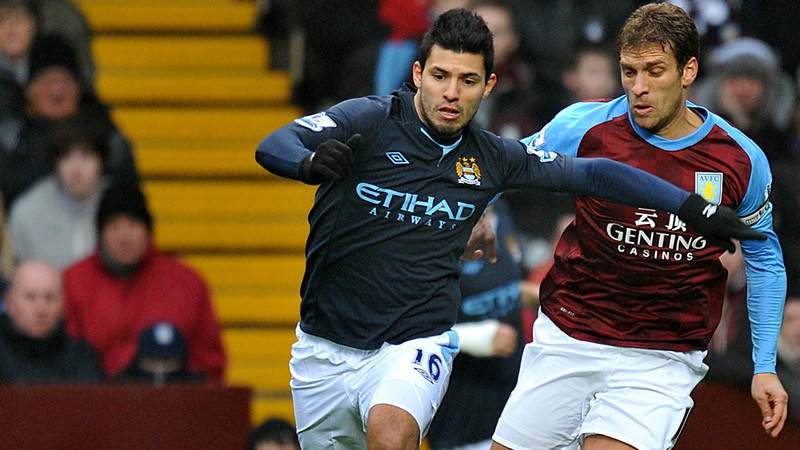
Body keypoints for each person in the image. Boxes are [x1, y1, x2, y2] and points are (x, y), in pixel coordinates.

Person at [255, 8, 766, 449]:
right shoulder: (366, 122)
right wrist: (308, 165)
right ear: (417, 74)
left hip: (413, 343)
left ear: (489, 85)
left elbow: (596, 173)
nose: (451, 93)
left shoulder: (493, 158)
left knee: (391, 435)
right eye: (439, 76)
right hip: (323, 345)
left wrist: (689, 207)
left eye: (468, 80)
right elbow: (273, 145)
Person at [491, 3, 788, 449]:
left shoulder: (739, 158)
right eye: (629, 72)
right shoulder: (584, 125)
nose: (639, 88)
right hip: (570, 333)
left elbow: (766, 259)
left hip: (662, 354)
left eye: (654, 71)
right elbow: (503, 168)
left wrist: (764, 364)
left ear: (688, 71)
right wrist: (481, 213)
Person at [63, 182, 227, 381]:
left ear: (148, 230)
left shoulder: (186, 283)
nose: (124, 237)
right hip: (94, 405)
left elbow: (209, 362)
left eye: (133, 225)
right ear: (101, 233)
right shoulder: (73, 282)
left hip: (170, 404)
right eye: (114, 226)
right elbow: (62, 357)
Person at [426, 199, 535, 450]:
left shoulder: (502, 209)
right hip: (462, 413)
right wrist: (475, 338)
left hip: (511, 403)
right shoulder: (440, 220)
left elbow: (493, 287)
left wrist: (529, 292)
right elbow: (405, 327)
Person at [0, 33, 138, 210]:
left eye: (65, 80)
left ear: (79, 88)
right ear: (29, 90)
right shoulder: (13, 138)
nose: (58, 90)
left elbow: (127, 192)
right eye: (48, 81)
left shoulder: (105, 132)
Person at [8, 115, 109, 269]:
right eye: (66, 157)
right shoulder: (27, 212)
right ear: (55, 162)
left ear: (102, 161)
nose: (76, 169)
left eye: (86, 156)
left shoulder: (121, 207)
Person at [0, 259, 103, 383]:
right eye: (30, 297)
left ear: (62, 304)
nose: (41, 309)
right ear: (9, 302)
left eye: (50, 298)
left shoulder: (80, 357)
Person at [114, 321, 207, 386]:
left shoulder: (198, 389)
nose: (160, 371)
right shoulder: (121, 387)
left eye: (168, 364)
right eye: (152, 363)